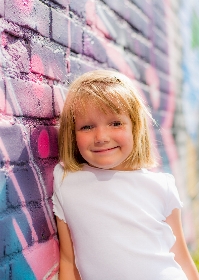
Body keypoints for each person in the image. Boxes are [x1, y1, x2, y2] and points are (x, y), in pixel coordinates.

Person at [52, 70, 199, 280]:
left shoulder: (161, 186)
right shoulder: (66, 182)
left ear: (135, 127)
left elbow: (181, 258)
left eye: (115, 123)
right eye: (87, 126)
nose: (101, 137)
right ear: (72, 134)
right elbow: (67, 259)